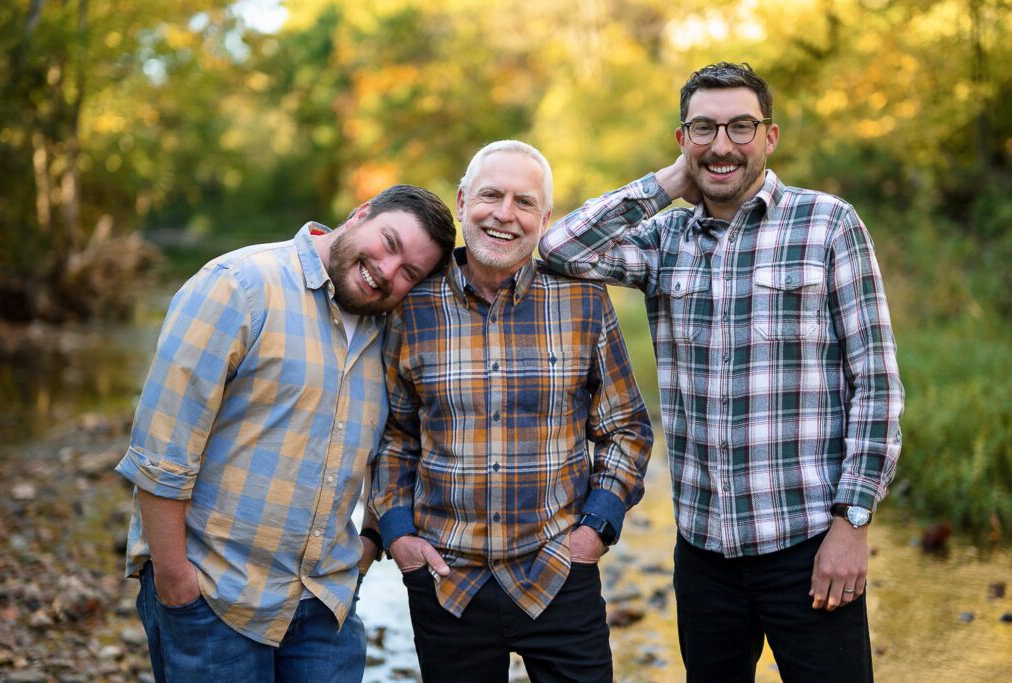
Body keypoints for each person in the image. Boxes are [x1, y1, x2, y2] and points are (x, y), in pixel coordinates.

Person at [540, 62, 904, 681]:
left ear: (770, 136)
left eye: (741, 126)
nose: (724, 145)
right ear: (683, 140)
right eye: (704, 129)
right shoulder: (663, 239)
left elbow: (876, 385)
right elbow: (556, 249)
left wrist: (853, 524)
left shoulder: (828, 225)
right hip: (704, 554)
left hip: (811, 543)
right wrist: (669, 182)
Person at [115, 185, 455, 682]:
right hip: (214, 599)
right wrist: (176, 583)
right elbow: (161, 451)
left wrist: (367, 547)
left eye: (410, 273)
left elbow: (399, 447)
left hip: (325, 611)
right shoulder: (239, 285)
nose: (387, 271)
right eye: (389, 242)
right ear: (361, 213)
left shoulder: (391, 330)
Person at [369, 140, 654, 682]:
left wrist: (596, 527)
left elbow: (627, 430)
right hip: (445, 581)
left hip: (559, 573)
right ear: (461, 201)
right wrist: (399, 532)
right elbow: (394, 435)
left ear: (544, 218)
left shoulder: (584, 301)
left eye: (524, 202)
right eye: (491, 195)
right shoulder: (412, 304)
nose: (505, 214)